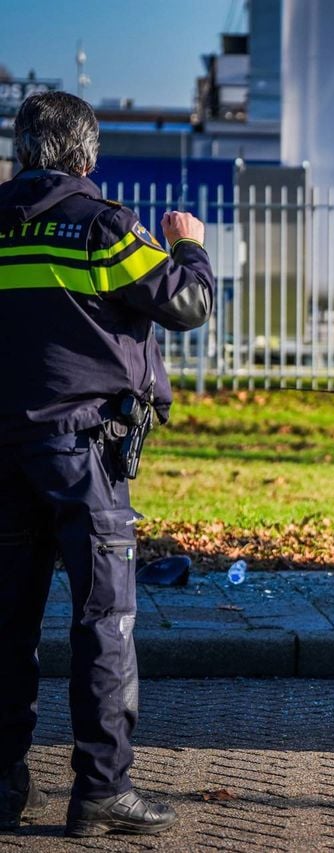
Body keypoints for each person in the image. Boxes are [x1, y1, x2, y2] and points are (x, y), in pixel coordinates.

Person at [0, 91, 213, 837]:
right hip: (83, 455)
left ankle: (2, 783)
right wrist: (189, 243)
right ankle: (100, 787)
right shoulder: (100, 226)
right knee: (104, 619)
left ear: (24, 151)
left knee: (7, 622)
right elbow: (185, 303)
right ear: (87, 157)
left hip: (5, 454)